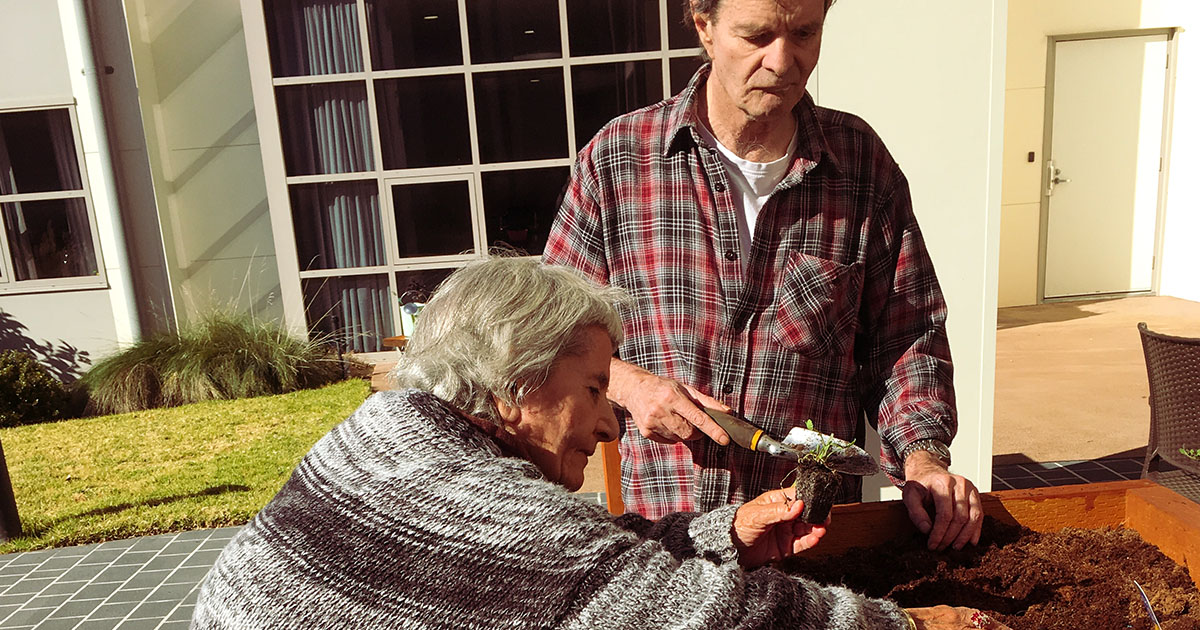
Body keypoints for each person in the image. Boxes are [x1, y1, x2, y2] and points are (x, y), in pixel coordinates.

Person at [189, 257, 1007, 630]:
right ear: (517, 379)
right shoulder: (485, 508)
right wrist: (908, 625)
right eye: (592, 390)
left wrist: (724, 532)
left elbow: (559, 571)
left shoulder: (388, 434)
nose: (613, 422)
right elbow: (704, 617)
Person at [543, 0, 983, 551]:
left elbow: (907, 337)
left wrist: (922, 458)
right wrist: (631, 386)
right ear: (703, 27)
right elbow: (552, 336)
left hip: (812, 535)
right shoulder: (621, 161)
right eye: (757, 36)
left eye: (804, 33)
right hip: (669, 538)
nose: (783, 60)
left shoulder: (860, 165)